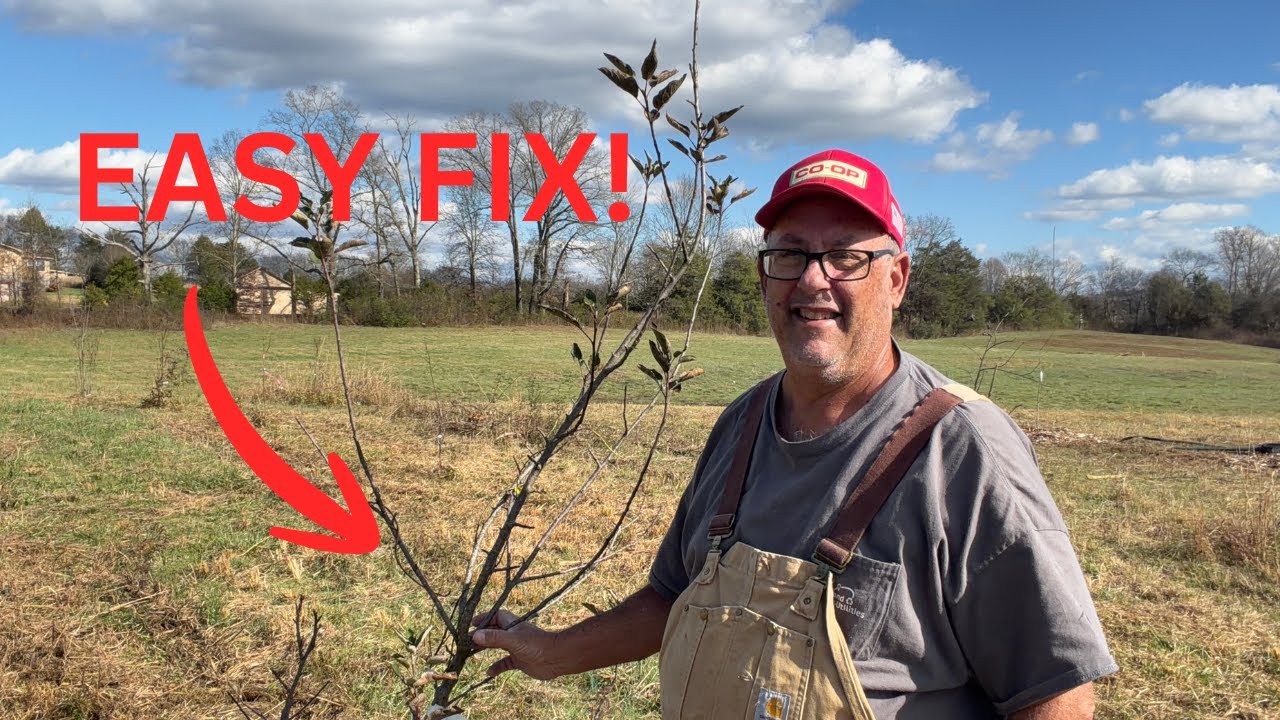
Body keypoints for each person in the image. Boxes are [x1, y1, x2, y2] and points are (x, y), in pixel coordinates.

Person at [472, 149, 1118, 719]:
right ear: (765, 276)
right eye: (790, 254)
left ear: (896, 280)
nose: (814, 279)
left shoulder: (963, 445)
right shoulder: (744, 422)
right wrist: (552, 653)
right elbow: (675, 594)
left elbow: (1054, 691)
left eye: (846, 257)